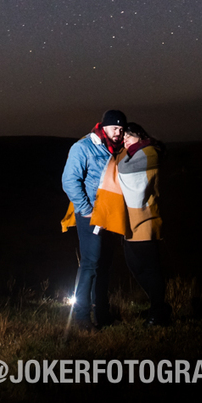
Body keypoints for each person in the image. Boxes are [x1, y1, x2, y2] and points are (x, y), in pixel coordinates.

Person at [61, 109, 126, 329]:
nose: (119, 132)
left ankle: (103, 314)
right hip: (90, 215)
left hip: (110, 216)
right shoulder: (84, 147)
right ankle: (81, 317)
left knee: (105, 265)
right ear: (104, 126)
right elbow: (70, 180)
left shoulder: (116, 149)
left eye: (122, 128)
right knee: (90, 264)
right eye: (115, 127)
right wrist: (85, 209)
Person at [112, 122, 171, 325]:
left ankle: (158, 312)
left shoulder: (149, 152)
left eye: (129, 136)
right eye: (123, 137)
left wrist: (119, 157)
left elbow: (124, 170)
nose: (125, 140)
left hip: (146, 220)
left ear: (140, 134)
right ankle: (159, 306)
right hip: (130, 223)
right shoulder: (134, 153)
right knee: (135, 267)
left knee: (150, 268)